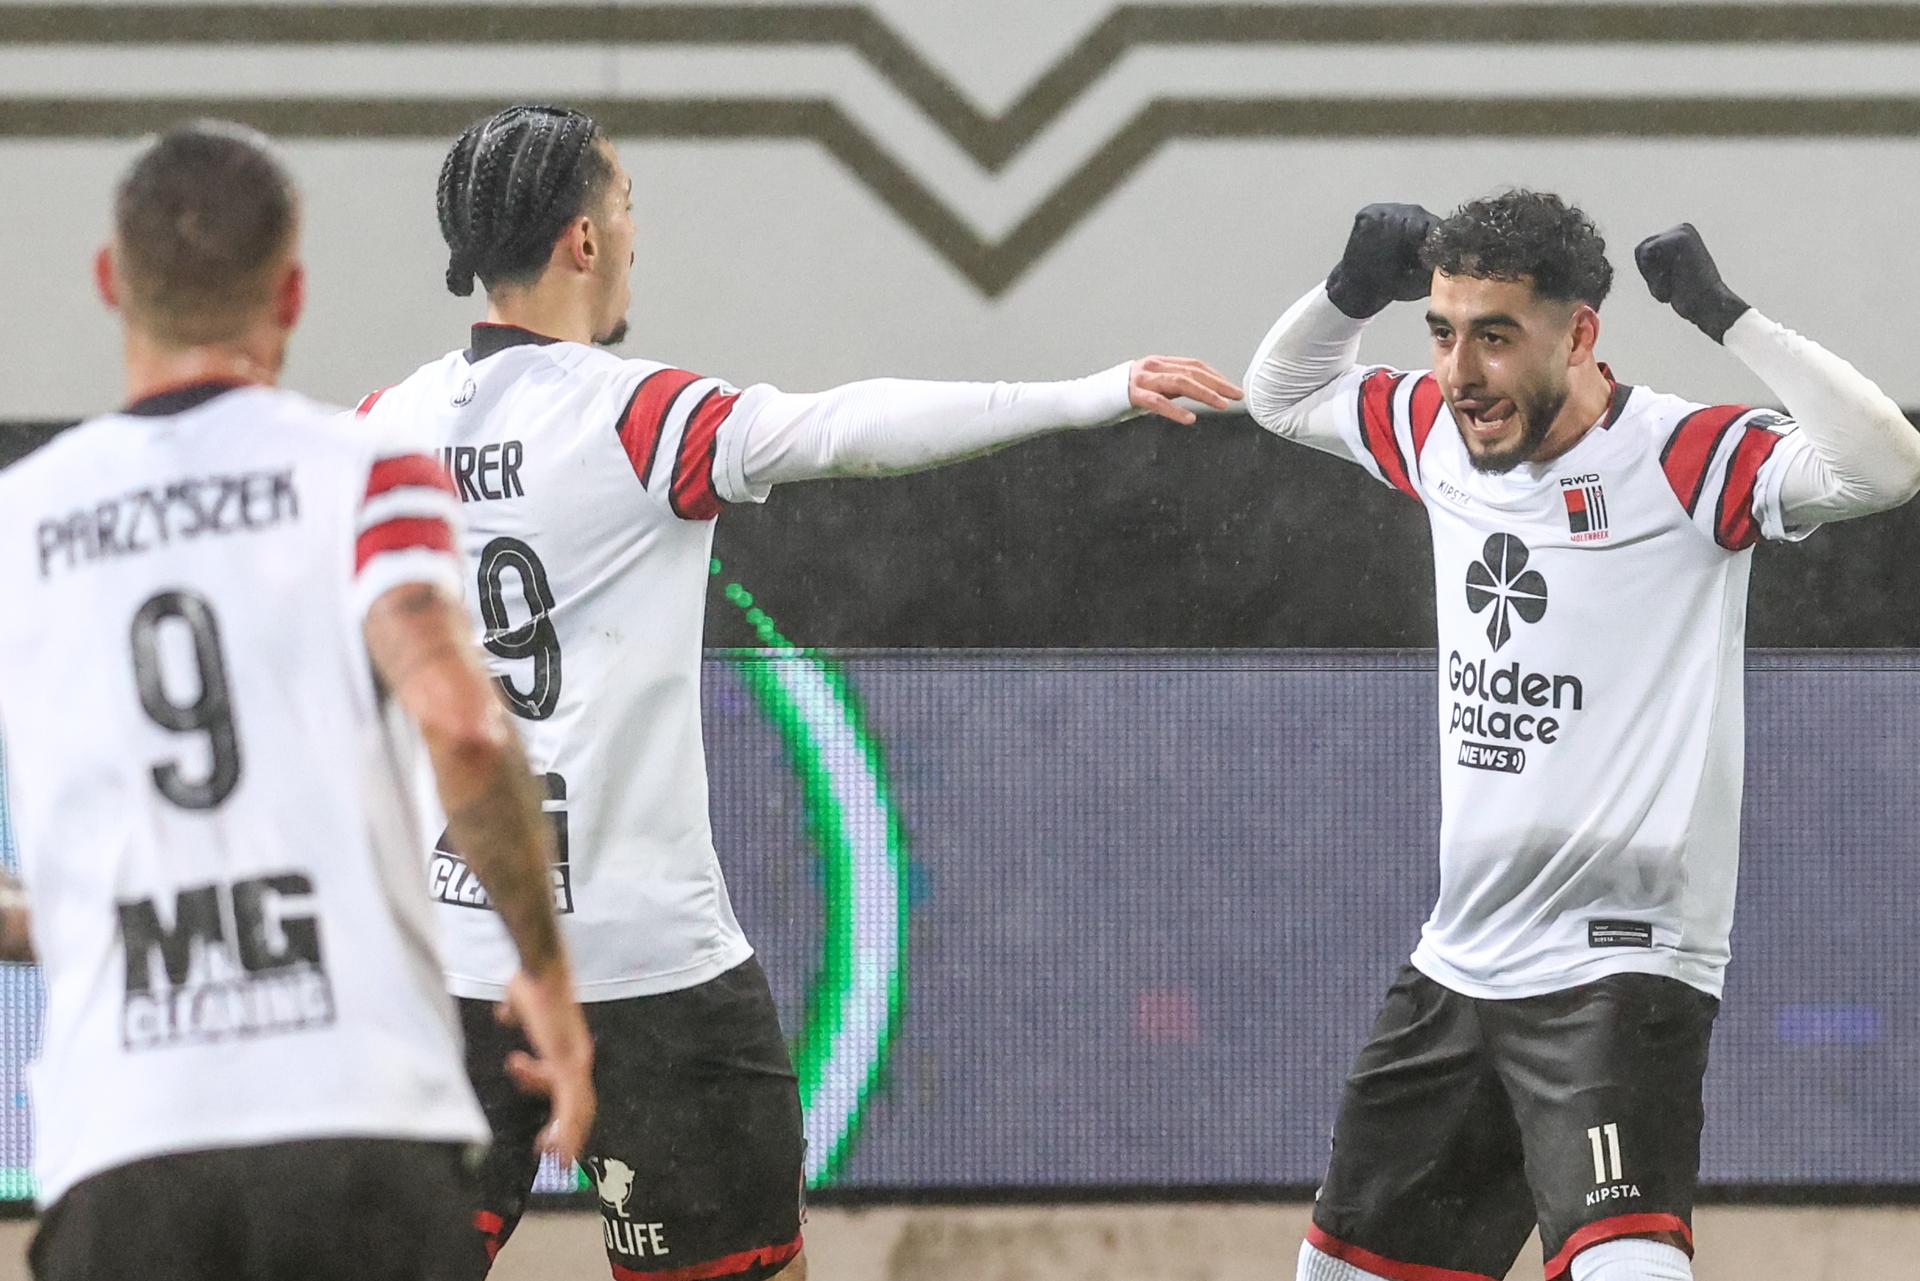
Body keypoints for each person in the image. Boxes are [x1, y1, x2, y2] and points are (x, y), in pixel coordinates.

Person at [355, 102, 1241, 1281]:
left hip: (444, 964)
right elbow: (849, 427)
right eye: (625, 210)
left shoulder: (376, 430)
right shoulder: (640, 418)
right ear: (580, 240)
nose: (633, 239)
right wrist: (1092, 389)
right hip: (648, 975)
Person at [1242, 191, 1920, 1281]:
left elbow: (1885, 466)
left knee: (1628, 1268)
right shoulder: (1433, 431)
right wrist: (1350, 291)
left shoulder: (1687, 460)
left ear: (1581, 332)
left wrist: (1729, 319)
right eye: (1443, 330)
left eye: (1496, 336)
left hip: (1622, 967)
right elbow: (1277, 397)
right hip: (1459, 966)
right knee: (1343, 1274)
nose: (1461, 372)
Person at [0, 121, 595, 1281]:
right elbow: (466, 727)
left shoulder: (21, 523)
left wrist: (76, 918)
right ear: (294, 291)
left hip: (127, 1140)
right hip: (357, 1125)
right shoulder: (367, 476)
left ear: (110, 283)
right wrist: (547, 977)